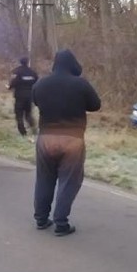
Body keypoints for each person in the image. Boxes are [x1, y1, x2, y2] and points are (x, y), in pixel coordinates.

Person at [31, 49, 101, 236]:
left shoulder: (41, 84)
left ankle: (41, 218)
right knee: (69, 181)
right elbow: (95, 105)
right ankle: (61, 223)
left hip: (46, 138)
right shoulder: (80, 84)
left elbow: (35, 101)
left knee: (44, 179)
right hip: (73, 139)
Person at [8, 57, 39, 141]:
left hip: (19, 97)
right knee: (28, 114)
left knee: (19, 115)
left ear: (20, 62)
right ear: (27, 62)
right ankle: (34, 129)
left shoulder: (17, 72)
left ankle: (23, 132)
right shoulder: (33, 72)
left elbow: (13, 83)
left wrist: (9, 87)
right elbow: (37, 82)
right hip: (29, 97)